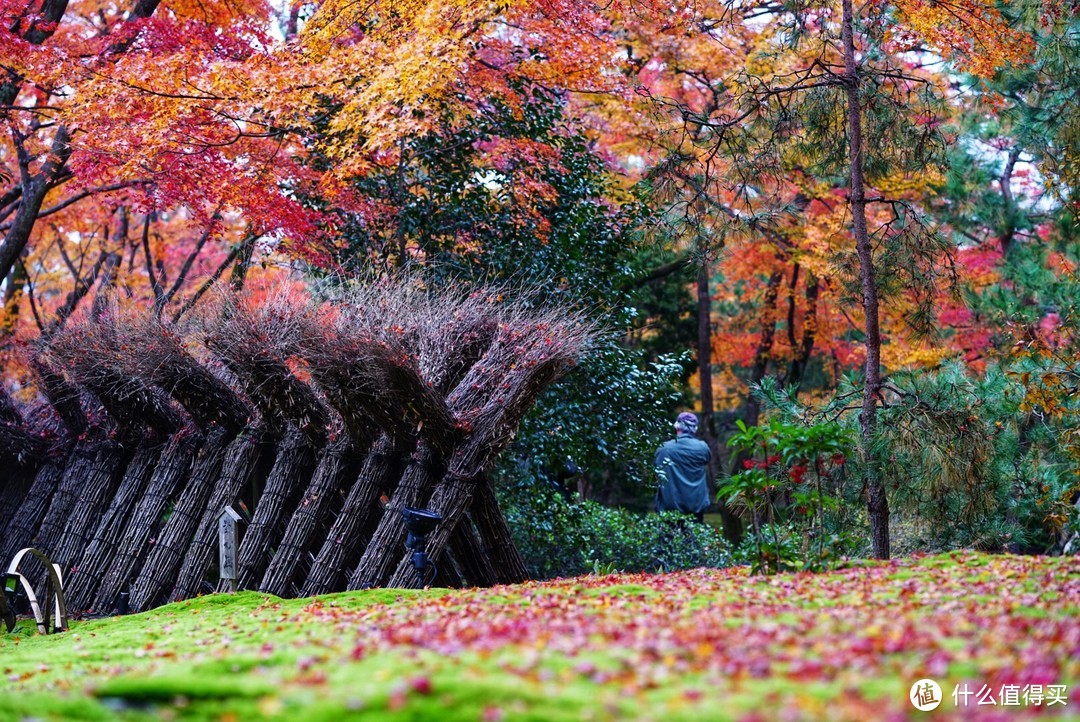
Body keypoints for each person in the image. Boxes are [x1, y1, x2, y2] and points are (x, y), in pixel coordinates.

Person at [654, 412, 711, 523]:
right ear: (694, 429)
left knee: (669, 539)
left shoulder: (664, 449)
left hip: (669, 510)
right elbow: (707, 459)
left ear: (677, 427)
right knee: (695, 539)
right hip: (696, 508)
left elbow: (656, 473)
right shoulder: (703, 448)